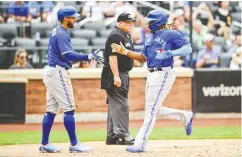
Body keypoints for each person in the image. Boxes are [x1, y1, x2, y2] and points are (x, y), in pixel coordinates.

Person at [111, 10, 194, 153]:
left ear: (158, 21)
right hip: (152, 74)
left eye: (151, 21)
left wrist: (171, 53)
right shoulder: (151, 36)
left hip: (164, 73)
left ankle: (140, 144)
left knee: (150, 110)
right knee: (154, 108)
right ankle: (185, 116)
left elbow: (188, 48)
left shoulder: (171, 33)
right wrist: (124, 51)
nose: (149, 23)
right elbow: (143, 57)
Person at [39, 6, 102, 153]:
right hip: (58, 72)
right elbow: (68, 55)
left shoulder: (58, 30)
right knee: (69, 109)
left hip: (52, 71)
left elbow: (67, 55)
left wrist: (85, 56)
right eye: (73, 17)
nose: (75, 19)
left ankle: (45, 144)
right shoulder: (61, 33)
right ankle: (74, 144)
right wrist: (88, 56)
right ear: (65, 18)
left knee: (51, 110)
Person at [101, 12, 136, 145]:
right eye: (127, 22)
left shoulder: (125, 35)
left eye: (131, 22)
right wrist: (116, 76)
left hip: (123, 73)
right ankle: (123, 134)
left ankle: (112, 136)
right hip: (115, 73)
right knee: (122, 104)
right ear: (119, 23)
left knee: (114, 105)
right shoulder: (116, 35)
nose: (130, 24)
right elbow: (112, 57)